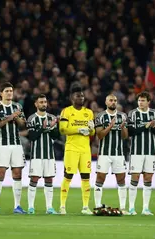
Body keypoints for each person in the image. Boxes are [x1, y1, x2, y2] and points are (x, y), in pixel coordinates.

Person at [59, 83, 95, 215]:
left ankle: (85, 207)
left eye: (82, 95)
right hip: (71, 149)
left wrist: (91, 129)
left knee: (86, 177)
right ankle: (62, 206)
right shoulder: (66, 111)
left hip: (85, 150)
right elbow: (62, 129)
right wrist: (78, 129)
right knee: (68, 176)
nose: (81, 97)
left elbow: (92, 133)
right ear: (72, 97)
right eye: (78, 95)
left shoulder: (89, 113)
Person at [0, 82, 27, 214]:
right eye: (7, 91)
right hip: (2, 144)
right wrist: (10, 118)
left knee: (17, 173)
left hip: (16, 144)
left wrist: (17, 118)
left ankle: (17, 205)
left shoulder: (18, 106)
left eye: (11, 91)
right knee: (0, 173)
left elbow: (23, 125)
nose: (9, 93)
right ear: (1, 93)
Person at [94, 94, 129, 214]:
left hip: (118, 154)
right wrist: (110, 126)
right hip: (104, 153)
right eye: (111, 100)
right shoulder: (100, 116)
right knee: (100, 178)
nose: (113, 102)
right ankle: (98, 205)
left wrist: (123, 127)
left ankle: (123, 207)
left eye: (115, 100)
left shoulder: (123, 116)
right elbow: (99, 135)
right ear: (106, 102)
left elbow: (125, 137)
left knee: (121, 179)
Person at [127, 91, 155, 216]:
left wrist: (153, 126)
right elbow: (131, 132)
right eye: (139, 100)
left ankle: (145, 208)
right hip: (136, 151)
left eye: (143, 100)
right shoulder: (133, 114)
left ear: (148, 102)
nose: (140, 103)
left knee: (148, 178)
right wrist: (146, 126)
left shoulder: (154, 114)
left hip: (150, 151)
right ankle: (131, 208)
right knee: (134, 178)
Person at [26, 94, 60, 214]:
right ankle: (31, 207)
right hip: (36, 155)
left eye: (45, 102)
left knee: (49, 180)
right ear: (36, 104)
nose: (43, 104)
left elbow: (56, 136)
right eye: (41, 102)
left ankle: (49, 207)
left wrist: (52, 128)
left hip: (49, 155)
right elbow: (32, 137)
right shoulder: (31, 119)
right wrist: (43, 127)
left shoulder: (51, 118)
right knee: (34, 179)